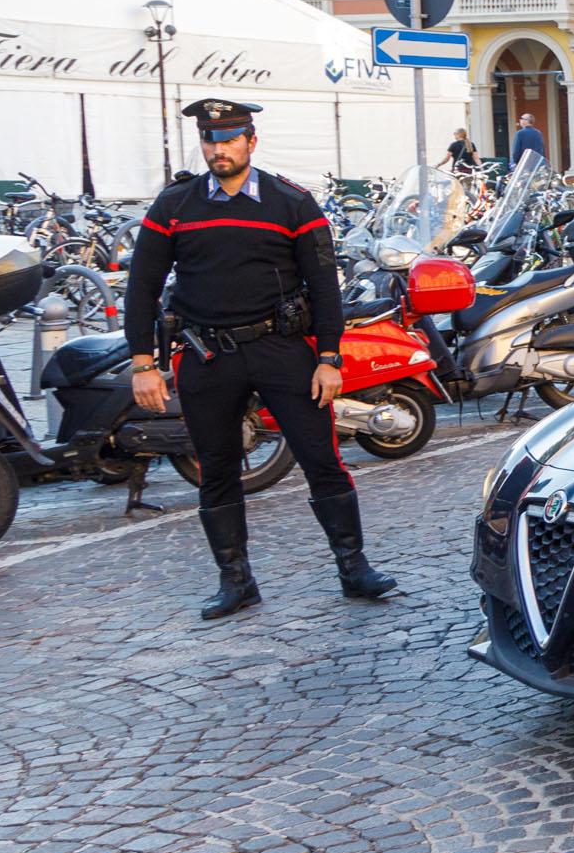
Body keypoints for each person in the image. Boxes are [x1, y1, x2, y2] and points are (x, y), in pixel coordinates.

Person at [124, 99, 395, 619]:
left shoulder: (290, 202)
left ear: (251, 141)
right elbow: (143, 287)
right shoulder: (174, 205)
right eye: (210, 139)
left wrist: (329, 357)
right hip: (207, 357)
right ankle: (236, 580)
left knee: (323, 460)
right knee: (217, 469)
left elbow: (323, 284)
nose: (218, 149)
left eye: (229, 138)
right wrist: (142, 363)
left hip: (281, 350)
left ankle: (354, 567)